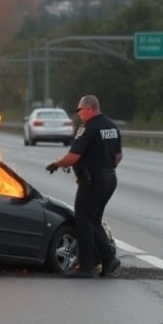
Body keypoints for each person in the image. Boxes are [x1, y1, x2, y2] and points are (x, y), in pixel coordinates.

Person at [45, 95, 122, 278]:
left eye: (80, 110)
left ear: (88, 108)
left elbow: (73, 156)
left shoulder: (88, 127)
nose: (79, 114)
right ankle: (108, 260)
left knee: (84, 221)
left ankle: (86, 267)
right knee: (94, 220)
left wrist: (56, 164)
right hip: (109, 178)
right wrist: (105, 168)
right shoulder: (112, 126)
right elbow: (118, 156)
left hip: (93, 180)